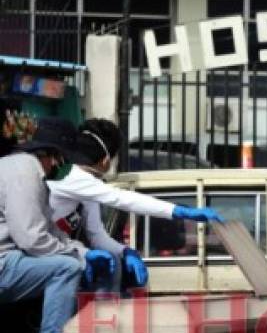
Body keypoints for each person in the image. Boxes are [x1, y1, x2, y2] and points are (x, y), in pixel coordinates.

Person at [0, 118, 115, 333]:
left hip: (8, 257)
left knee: (67, 262)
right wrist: (77, 257)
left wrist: (83, 252)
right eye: (61, 160)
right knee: (66, 269)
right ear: (51, 156)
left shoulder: (22, 169)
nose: (60, 167)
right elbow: (32, 239)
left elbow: (49, 229)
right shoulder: (24, 173)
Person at [48, 119, 224, 290]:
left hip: (58, 248)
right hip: (43, 252)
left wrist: (125, 251)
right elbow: (124, 199)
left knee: (113, 262)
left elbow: (97, 235)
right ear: (106, 161)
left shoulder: (87, 186)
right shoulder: (75, 177)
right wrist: (178, 211)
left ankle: (104, 316)